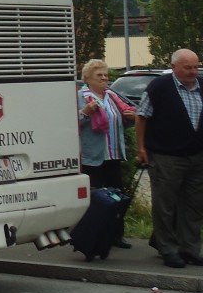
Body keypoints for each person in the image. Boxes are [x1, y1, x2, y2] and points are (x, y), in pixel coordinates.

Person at [136, 48, 203, 269]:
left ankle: (190, 248)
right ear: (174, 67)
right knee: (165, 205)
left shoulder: (202, 85)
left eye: (196, 66)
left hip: (196, 156)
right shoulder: (159, 87)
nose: (193, 71)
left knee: (193, 205)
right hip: (167, 156)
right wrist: (141, 148)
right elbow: (142, 116)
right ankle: (168, 249)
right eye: (188, 67)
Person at [77, 58, 137, 247]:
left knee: (117, 196)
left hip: (113, 154)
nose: (104, 79)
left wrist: (131, 118)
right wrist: (85, 112)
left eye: (106, 75)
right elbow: (70, 124)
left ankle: (116, 235)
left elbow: (120, 122)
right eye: (99, 75)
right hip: (92, 157)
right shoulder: (81, 96)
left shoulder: (112, 96)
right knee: (95, 200)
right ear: (88, 78)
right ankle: (92, 236)